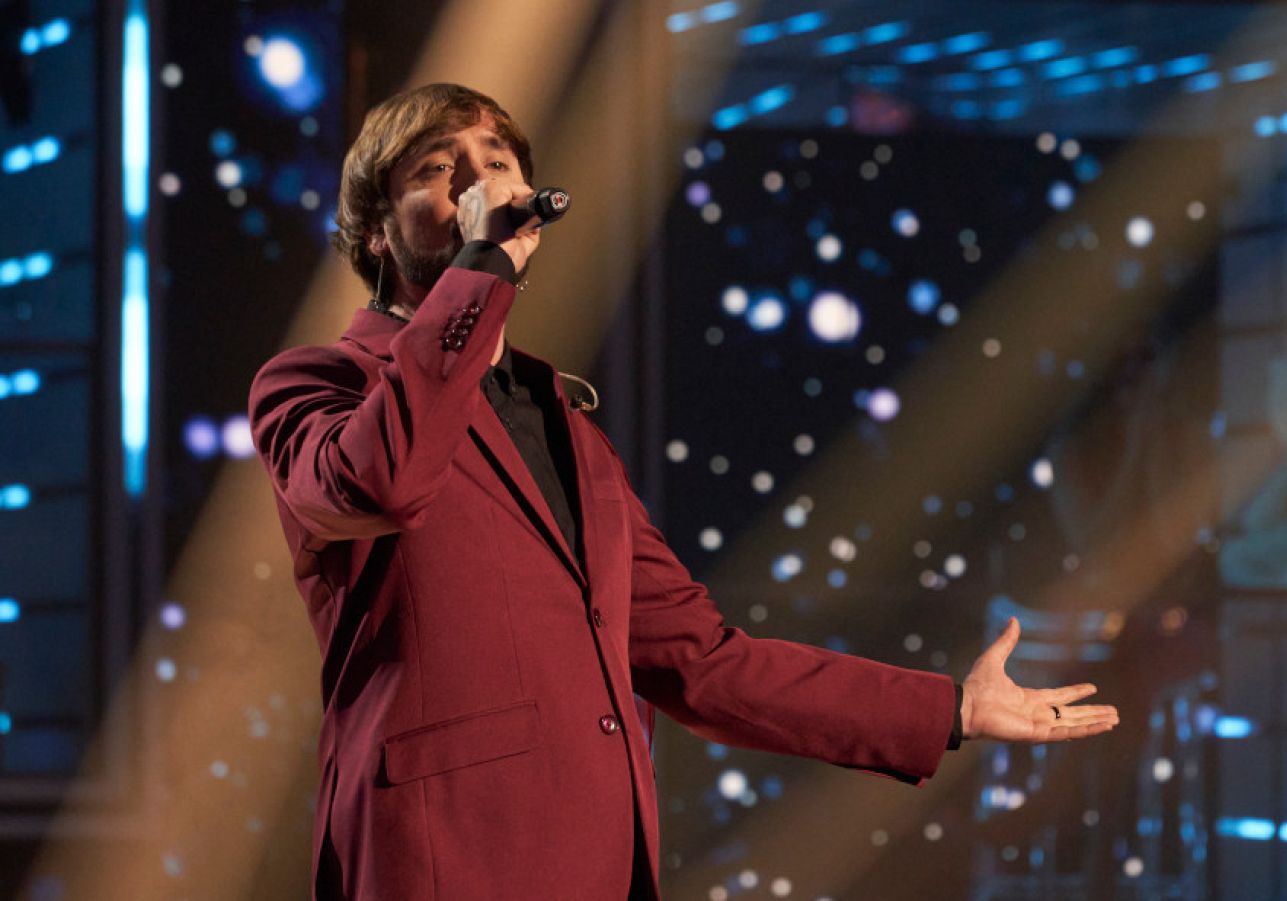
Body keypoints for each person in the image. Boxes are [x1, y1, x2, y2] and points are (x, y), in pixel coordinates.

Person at [249, 82, 1119, 901]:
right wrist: (479, 267)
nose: (481, 183)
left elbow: (702, 663)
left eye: (498, 161)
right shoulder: (318, 385)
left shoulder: (566, 427)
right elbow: (381, 481)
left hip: (596, 861)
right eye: (439, 168)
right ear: (376, 233)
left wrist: (949, 709)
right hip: (446, 858)